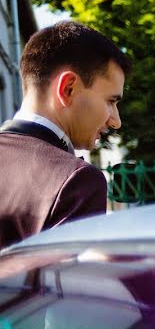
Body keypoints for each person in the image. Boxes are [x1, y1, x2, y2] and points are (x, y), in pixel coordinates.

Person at [0, 21, 131, 249]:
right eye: (110, 101)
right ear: (68, 88)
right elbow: (71, 284)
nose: (116, 121)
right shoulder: (76, 182)